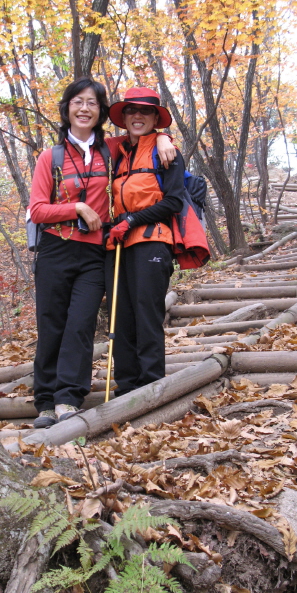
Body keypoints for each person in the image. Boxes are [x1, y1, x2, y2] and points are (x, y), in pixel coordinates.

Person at [29, 78, 175, 428]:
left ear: (100, 113)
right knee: (51, 325)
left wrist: (167, 136)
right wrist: (76, 207)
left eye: (92, 103)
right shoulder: (50, 157)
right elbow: (37, 210)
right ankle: (46, 402)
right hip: (54, 250)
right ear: (66, 109)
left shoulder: (112, 149)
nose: (84, 109)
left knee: (80, 326)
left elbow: (145, 136)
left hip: (95, 254)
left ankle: (68, 397)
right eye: (77, 102)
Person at [105, 87, 185, 397]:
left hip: (152, 240)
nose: (138, 116)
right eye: (131, 111)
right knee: (120, 315)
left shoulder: (166, 152)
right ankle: (127, 389)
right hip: (118, 245)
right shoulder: (117, 153)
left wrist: (132, 220)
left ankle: (152, 388)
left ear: (155, 118)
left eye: (146, 111)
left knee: (146, 314)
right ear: (124, 117)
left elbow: (175, 201)